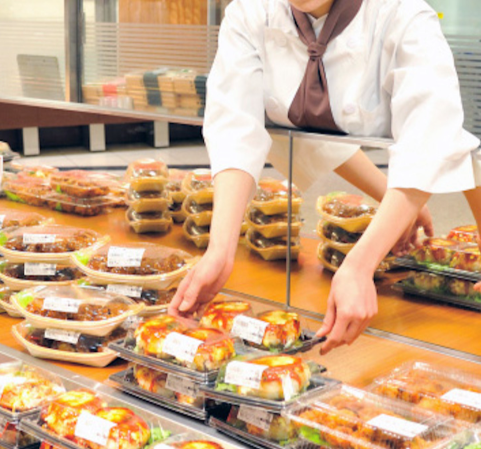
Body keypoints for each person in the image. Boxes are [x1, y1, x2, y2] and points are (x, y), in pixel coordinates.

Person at [168, 0, 481, 354]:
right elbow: (237, 129)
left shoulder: (403, 15)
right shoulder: (250, 12)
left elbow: (429, 143)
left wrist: (360, 265)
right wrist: (220, 250)